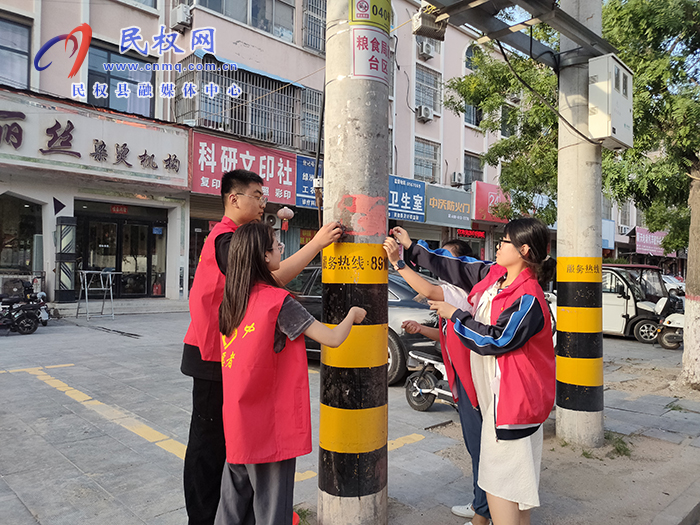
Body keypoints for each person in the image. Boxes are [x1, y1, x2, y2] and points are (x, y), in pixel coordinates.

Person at [181, 169, 343, 525]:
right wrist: (316, 244)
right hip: (212, 354)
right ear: (233, 198)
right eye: (256, 195)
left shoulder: (235, 237)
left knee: (235, 444)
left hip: (231, 355)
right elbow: (270, 279)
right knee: (209, 447)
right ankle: (204, 517)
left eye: (263, 196)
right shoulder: (227, 240)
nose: (263, 202)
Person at [392, 219, 556, 525]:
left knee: (501, 486)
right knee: (513, 488)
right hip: (498, 402)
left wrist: (456, 316)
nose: (498, 246)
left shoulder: (528, 298)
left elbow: (496, 339)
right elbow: (456, 266)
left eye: (504, 242)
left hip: (513, 406)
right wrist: (413, 248)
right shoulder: (496, 278)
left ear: (523, 250)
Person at [215, 222, 366, 525]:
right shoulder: (278, 302)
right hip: (270, 426)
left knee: (230, 508)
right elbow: (332, 338)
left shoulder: (232, 300)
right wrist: (353, 314)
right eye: (277, 245)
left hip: (238, 422)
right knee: (273, 513)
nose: (280, 249)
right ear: (265, 256)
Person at [383, 236, 490, 525]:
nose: (440, 264)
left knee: (480, 449)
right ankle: (481, 503)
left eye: (446, 260)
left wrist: (398, 262)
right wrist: (420, 328)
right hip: (463, 384)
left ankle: (485, 510)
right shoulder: (458, 295)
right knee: (476, 447)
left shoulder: (460, 292)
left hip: (473, 386)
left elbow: (428, 287)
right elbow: (448, 334)